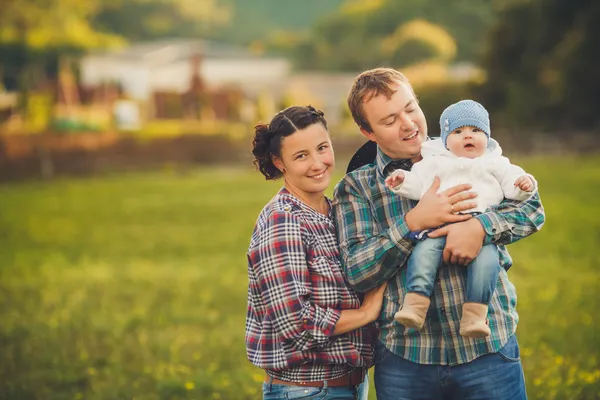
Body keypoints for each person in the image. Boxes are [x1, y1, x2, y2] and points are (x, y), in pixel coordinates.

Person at [332, 68, 545, 399]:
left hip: (488, 348)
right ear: (367, 131)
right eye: (389, 121)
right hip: (407, 358)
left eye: (410, 108)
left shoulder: (468, 149)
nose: (408, 124)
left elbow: (532, 209)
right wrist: (412, 223)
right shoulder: (357, 188)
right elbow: (357, 272)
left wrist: (480, 227)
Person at [246, 105, 386, 400]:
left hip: (351, 385)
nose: (317, 163)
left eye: (322, 148)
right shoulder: (283, 220)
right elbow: (296, 325)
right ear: (279, 162)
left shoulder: (337, 211)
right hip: (307, 391)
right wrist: (365, 313)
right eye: (301, 156)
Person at [384, 99, 537, 339]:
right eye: (458, 131)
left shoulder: (495, 162)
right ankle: (415, 303)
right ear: (445, 139)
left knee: (487, 263)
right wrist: (401, 180)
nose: (468, 136)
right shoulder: (435, 161)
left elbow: (513, 185)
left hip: (480, 229)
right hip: (437, 225)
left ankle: (475, 315)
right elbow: (417, 184)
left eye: (476, 131)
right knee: (423, 254)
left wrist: (524, 184)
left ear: (487, 136)